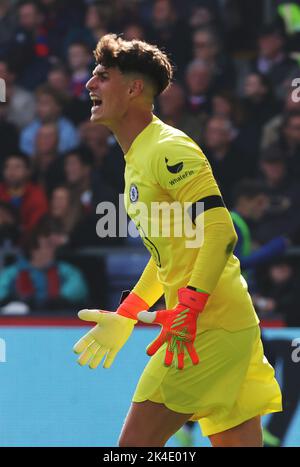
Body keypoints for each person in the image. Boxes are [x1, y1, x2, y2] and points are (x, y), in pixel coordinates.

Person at [73, 34, 282, 447]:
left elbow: (221, 232)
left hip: (203, 328)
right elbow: (170, 255)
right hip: (227, 323)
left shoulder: (169, 148)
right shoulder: (136, 158)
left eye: (102, 76)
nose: (89, 85)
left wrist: (189, 307)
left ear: (133, 88)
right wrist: (129, 312)